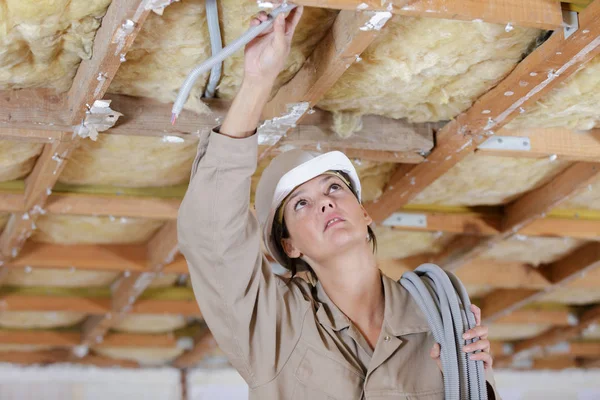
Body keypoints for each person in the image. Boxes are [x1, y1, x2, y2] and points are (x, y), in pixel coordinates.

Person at [178, 6, 499, 399]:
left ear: (364, 212)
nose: (325, 204)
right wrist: (257, 82)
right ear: (289, 245)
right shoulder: (275, 326)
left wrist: (476, 377)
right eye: (301, 204)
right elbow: (212, 236)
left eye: (333, 188)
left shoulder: (437, 322)